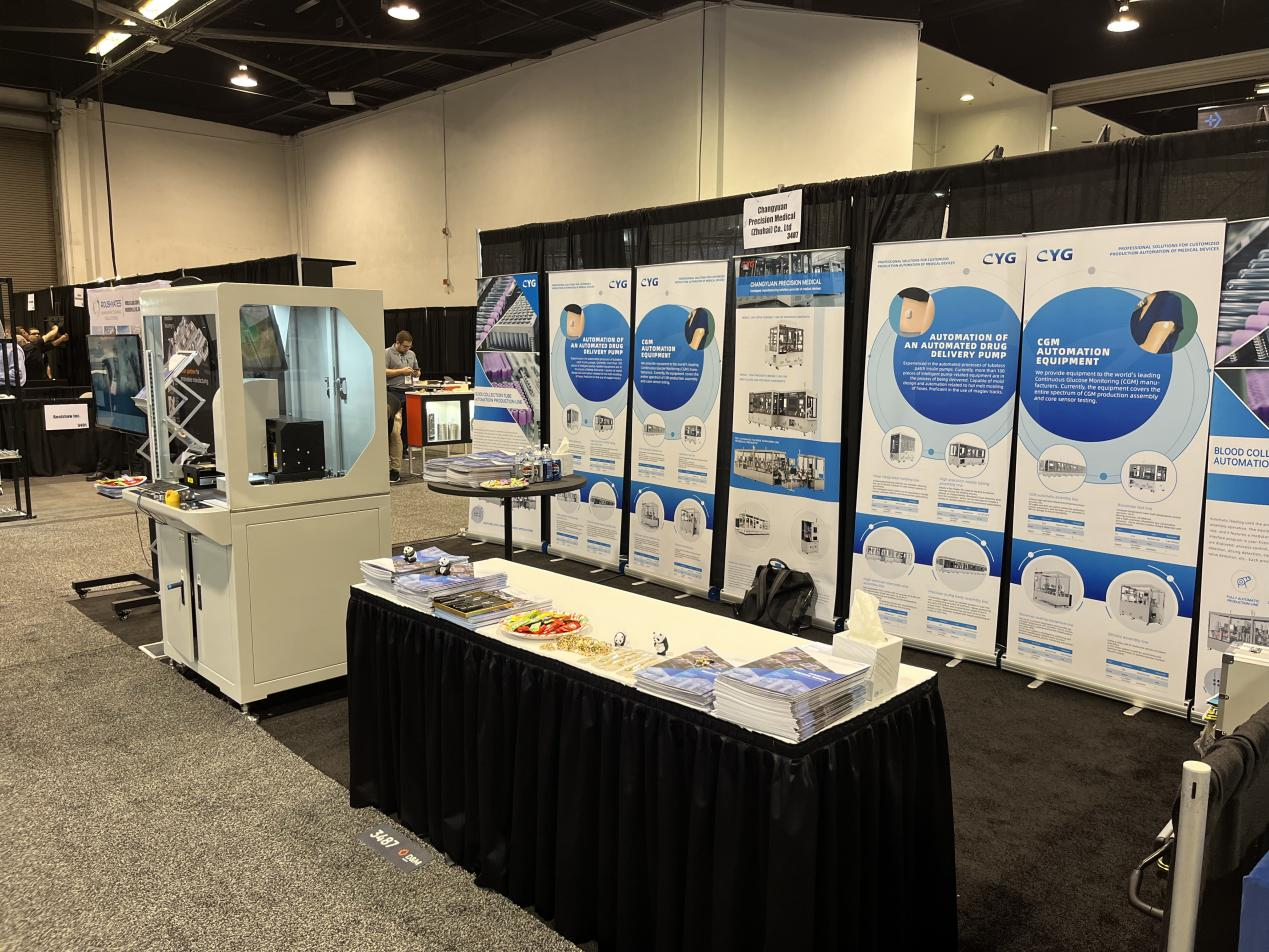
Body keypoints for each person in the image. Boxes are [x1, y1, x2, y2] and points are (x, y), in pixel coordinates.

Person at [385, 330, 419, 484]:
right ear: (397, 343)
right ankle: (393, 464)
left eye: (409, 347)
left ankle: (404, 451)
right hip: (392, 393)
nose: (407, 349)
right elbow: (381, 371)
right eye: (405, 346)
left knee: (407, 427)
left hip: (409, 392)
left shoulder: (411, 354)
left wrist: (416, 373)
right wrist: (400, 371)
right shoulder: (387, 353)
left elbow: (417, 369)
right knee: (394, 429)